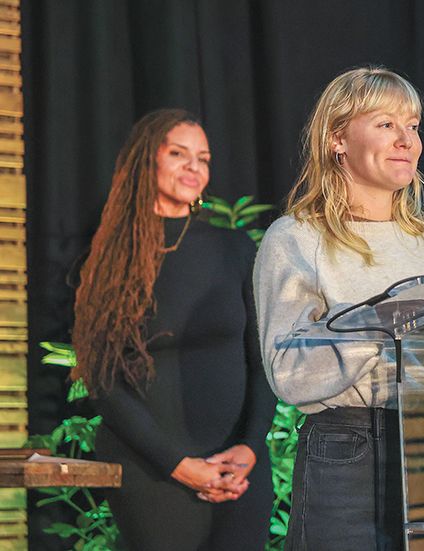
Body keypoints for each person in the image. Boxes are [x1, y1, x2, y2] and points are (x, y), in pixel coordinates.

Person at [254, 67, 424, 550]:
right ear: (337, 139)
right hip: (346, 452)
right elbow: (289, 373)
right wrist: (380, 323)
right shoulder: (296, 239)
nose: (406, 140)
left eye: (412, 126)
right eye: (386, 124)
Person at [71, 108, 275, 551]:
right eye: (178, 154)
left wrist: (250, 448)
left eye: (203, 158)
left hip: (238, 468)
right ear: (146, 160)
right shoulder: (113, 258)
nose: (193, 167)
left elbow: (262, 361)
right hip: (153, 471)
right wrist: (180, 465)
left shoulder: (235, 248)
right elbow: (103, 381)